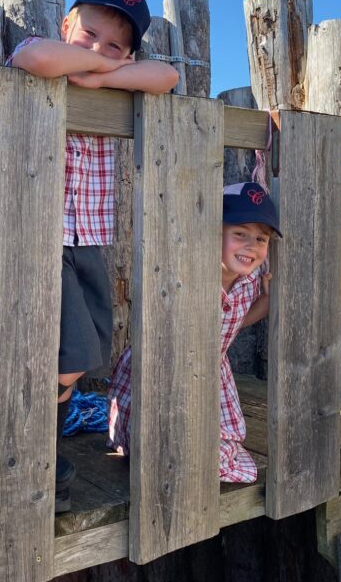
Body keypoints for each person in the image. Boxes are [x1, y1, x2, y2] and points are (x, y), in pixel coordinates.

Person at [7, 0, 178, 512]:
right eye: (90, 35)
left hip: (89, 237)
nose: (99, 50)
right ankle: (30, 454)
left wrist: (101, 74)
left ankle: (44, 449)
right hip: (41, 233)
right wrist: (104, 68)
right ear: (66, 26)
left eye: (115, 47)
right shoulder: (41, 50)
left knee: (86, 352)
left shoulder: (115, 77)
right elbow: (34, 60)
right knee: (66, 355)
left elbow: (169, 75)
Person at [106, 181, 281, 483]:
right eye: (240, 234)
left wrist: (265, 301)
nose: (252, 246)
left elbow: (236, 320)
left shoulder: (249, 282)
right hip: (165, 371)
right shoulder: (192, 277)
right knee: (164, 448)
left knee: (219, 450)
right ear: (214, 233)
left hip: (213, 372)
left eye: (261, 239)